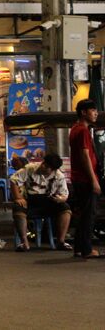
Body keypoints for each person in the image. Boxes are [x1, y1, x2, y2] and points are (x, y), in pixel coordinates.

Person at [9, 153, 72, 252]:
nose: (43, 166)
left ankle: (61, 241)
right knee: (17, 207)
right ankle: (25, 243)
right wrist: (18, 197)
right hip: (30, 201)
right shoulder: (30, 168)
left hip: (48, 201)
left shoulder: (59, 176)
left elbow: (64, 195)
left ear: (53, 170)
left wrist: (60, 199)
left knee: (65, 208)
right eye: (44, 163)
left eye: (46, 167)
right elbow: (13, 180)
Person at [69, 98, 102, 259]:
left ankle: (79, 248)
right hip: (85, 179)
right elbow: (85, 156)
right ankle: (87, 250)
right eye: (93, 110)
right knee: (89, 215)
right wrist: (94, 180)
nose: (96, 113)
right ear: (83, 112)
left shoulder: (75, 128)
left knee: (83, 215)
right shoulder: (82, 130)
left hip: (79, 178)